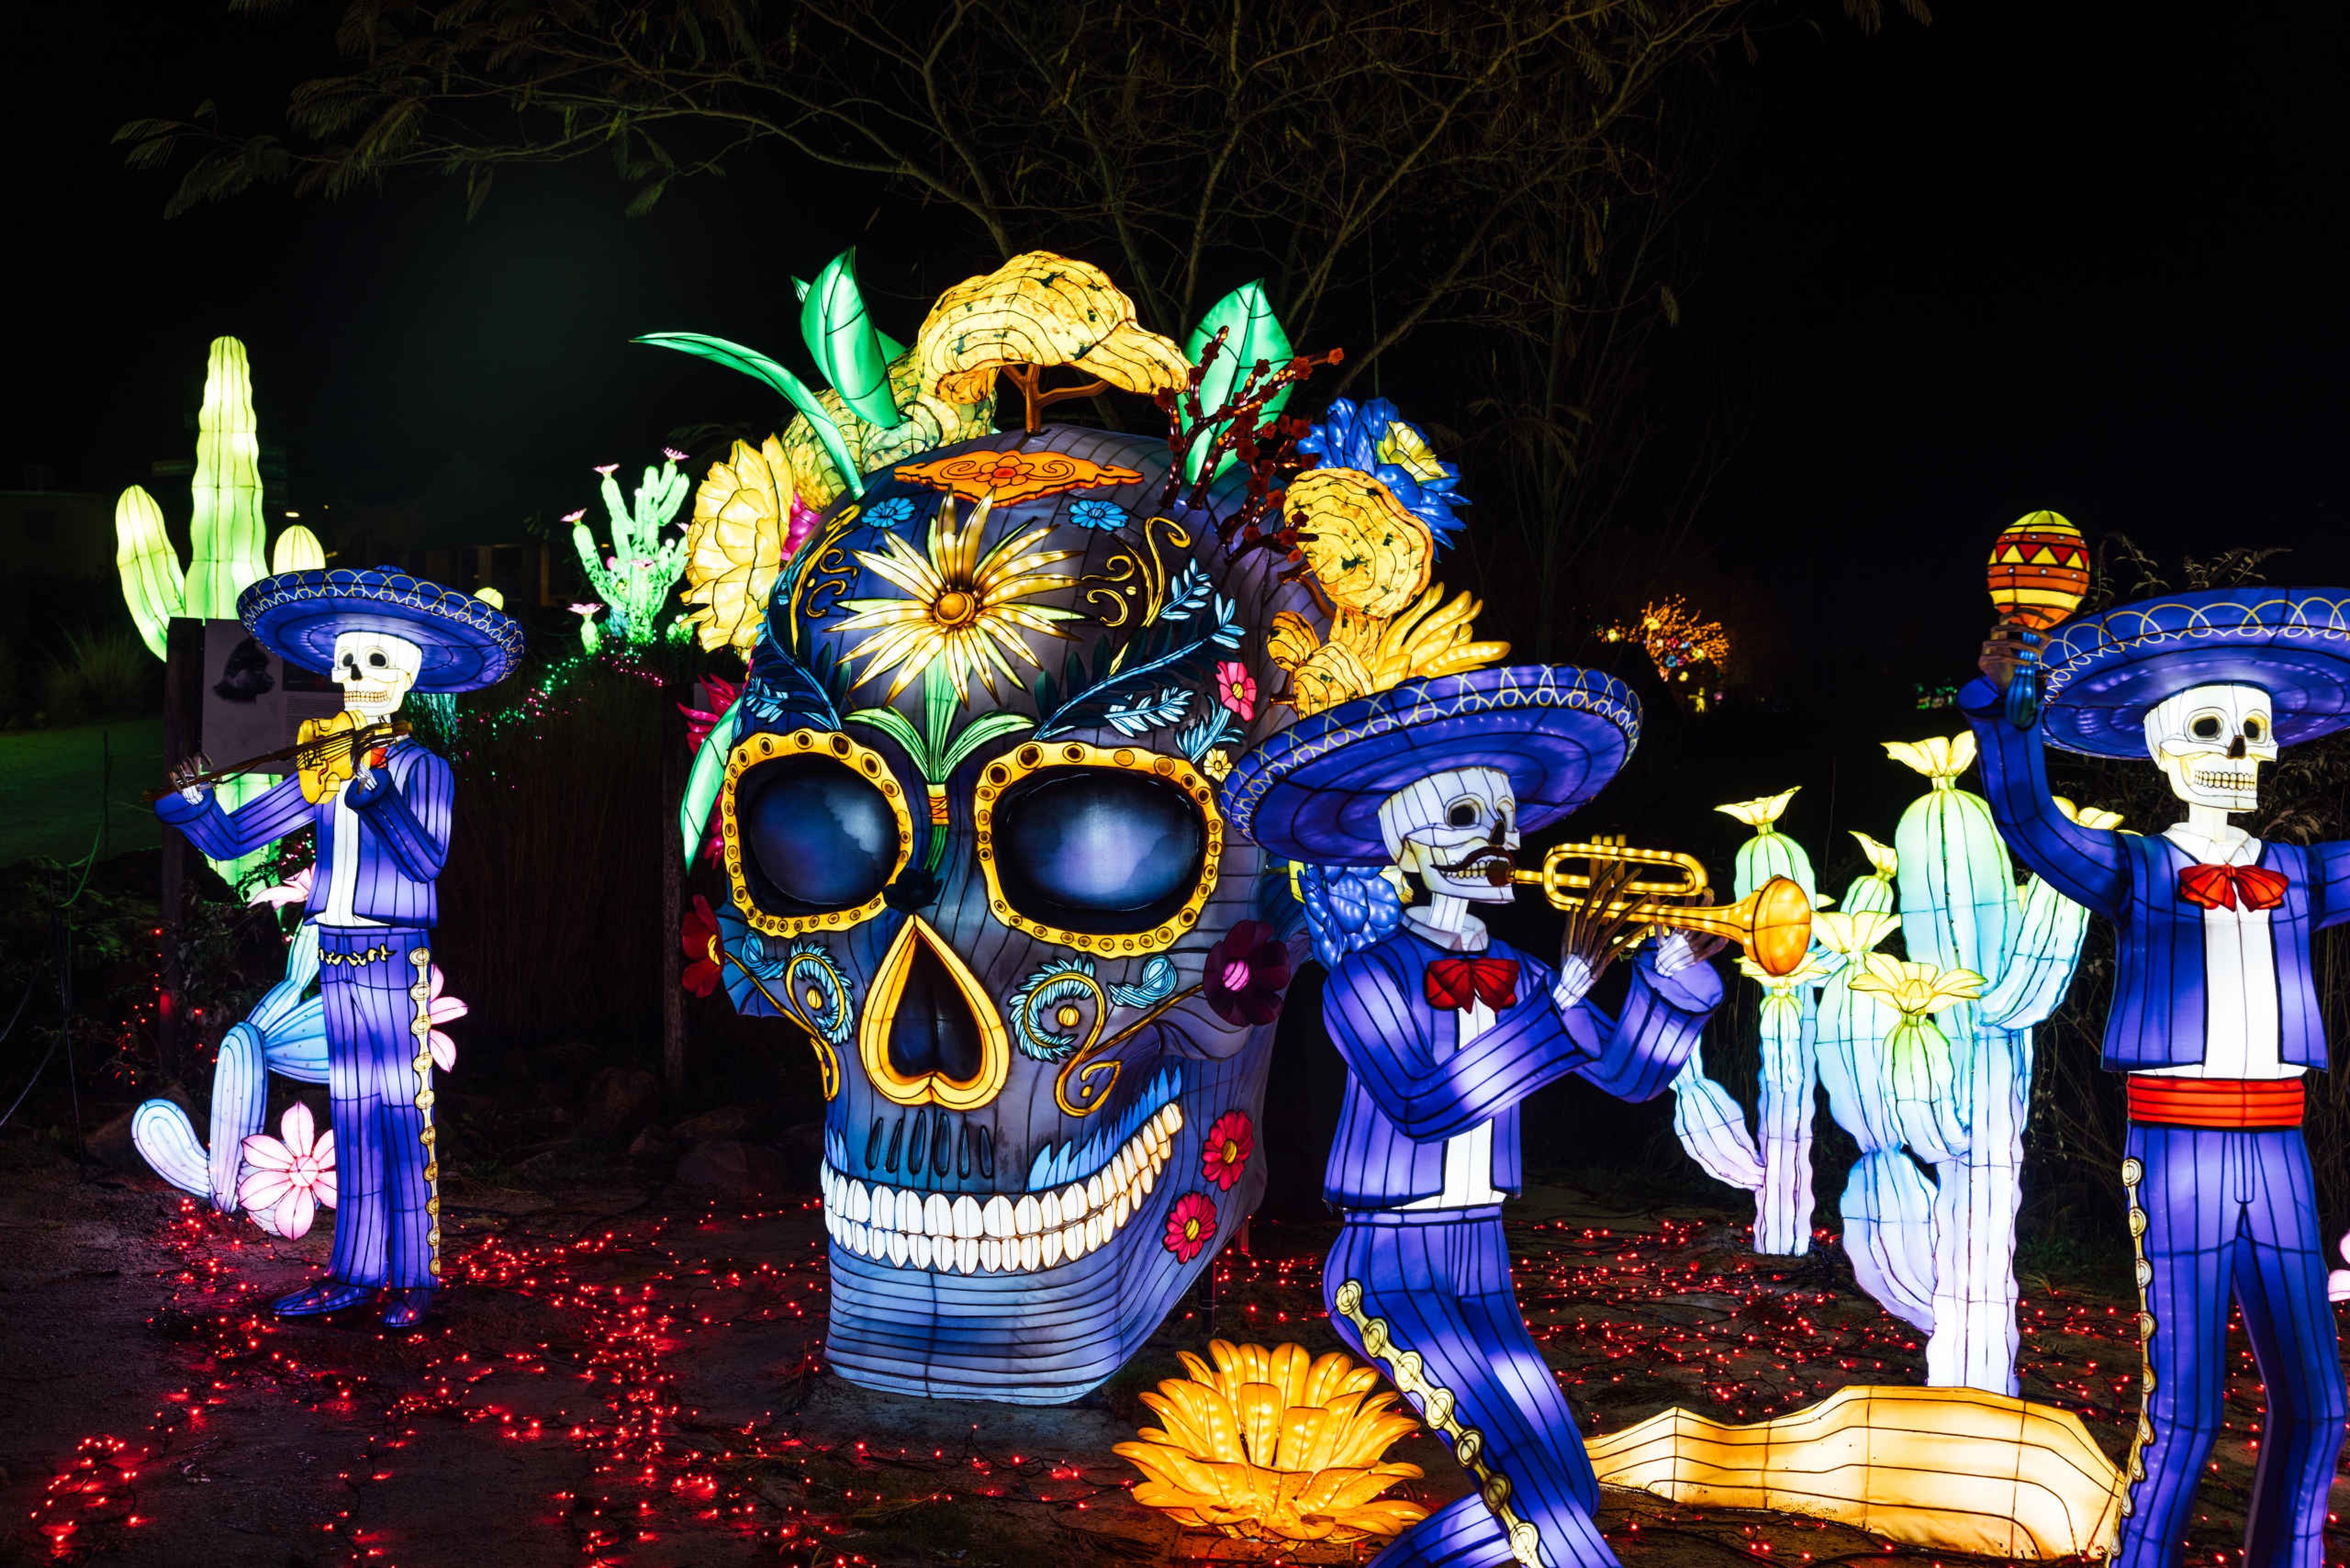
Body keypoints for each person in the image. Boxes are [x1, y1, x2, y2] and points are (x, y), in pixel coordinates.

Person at [1225, 663, 1721, 1568]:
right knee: (1538, 1494)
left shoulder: (1530, 975)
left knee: (1563, 1489)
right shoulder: (1365, 979)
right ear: (1406, 849)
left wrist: (1672, 978)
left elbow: (1631, 1077)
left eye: (1502, 819)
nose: (1497, 839)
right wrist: (1551, 1011)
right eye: (1464, 820)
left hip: (1483, 1256)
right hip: (1389, 1264)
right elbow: (1423, 1104)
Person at [1967, 589, 2350, 1568]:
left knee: (2320, 1401)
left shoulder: (2300, 876)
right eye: (2212, 727)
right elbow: (2033, 826)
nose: (2239, 749)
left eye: (2255, 730)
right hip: (2177, 1144)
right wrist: (2003, 712)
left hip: (2280, 1146)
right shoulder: (2137, 868)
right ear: (2164, 747)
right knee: (2183, 1405)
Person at [157, 566, 521, 1329]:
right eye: (350, 662)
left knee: (400, 1109)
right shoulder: (323, 767)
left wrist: (378, 798)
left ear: (412, 675)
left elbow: (427, 861)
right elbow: (237, 835)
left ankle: (413, 1277)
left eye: (379, 662)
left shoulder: (424, 768)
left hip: (394, 954)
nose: (360, 677)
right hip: (336, 952)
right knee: (352, 1112)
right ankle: (354, 1270)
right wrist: (196, 806)